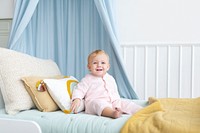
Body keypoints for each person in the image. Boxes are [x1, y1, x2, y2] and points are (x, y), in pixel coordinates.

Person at [70, 50, 142, 119]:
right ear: (89, 67)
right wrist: (77, 99)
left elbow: (114, 93)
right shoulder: (87, 79)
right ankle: (112, 113)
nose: (99, 65)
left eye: (103, 63)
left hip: (111, 102)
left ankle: (142, 110)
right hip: (94, 102)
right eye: (95, 63)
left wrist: (117, 103)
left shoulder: (110, 78)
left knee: (126, 103)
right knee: (99, 104)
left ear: (108, 67)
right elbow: (79, 89)